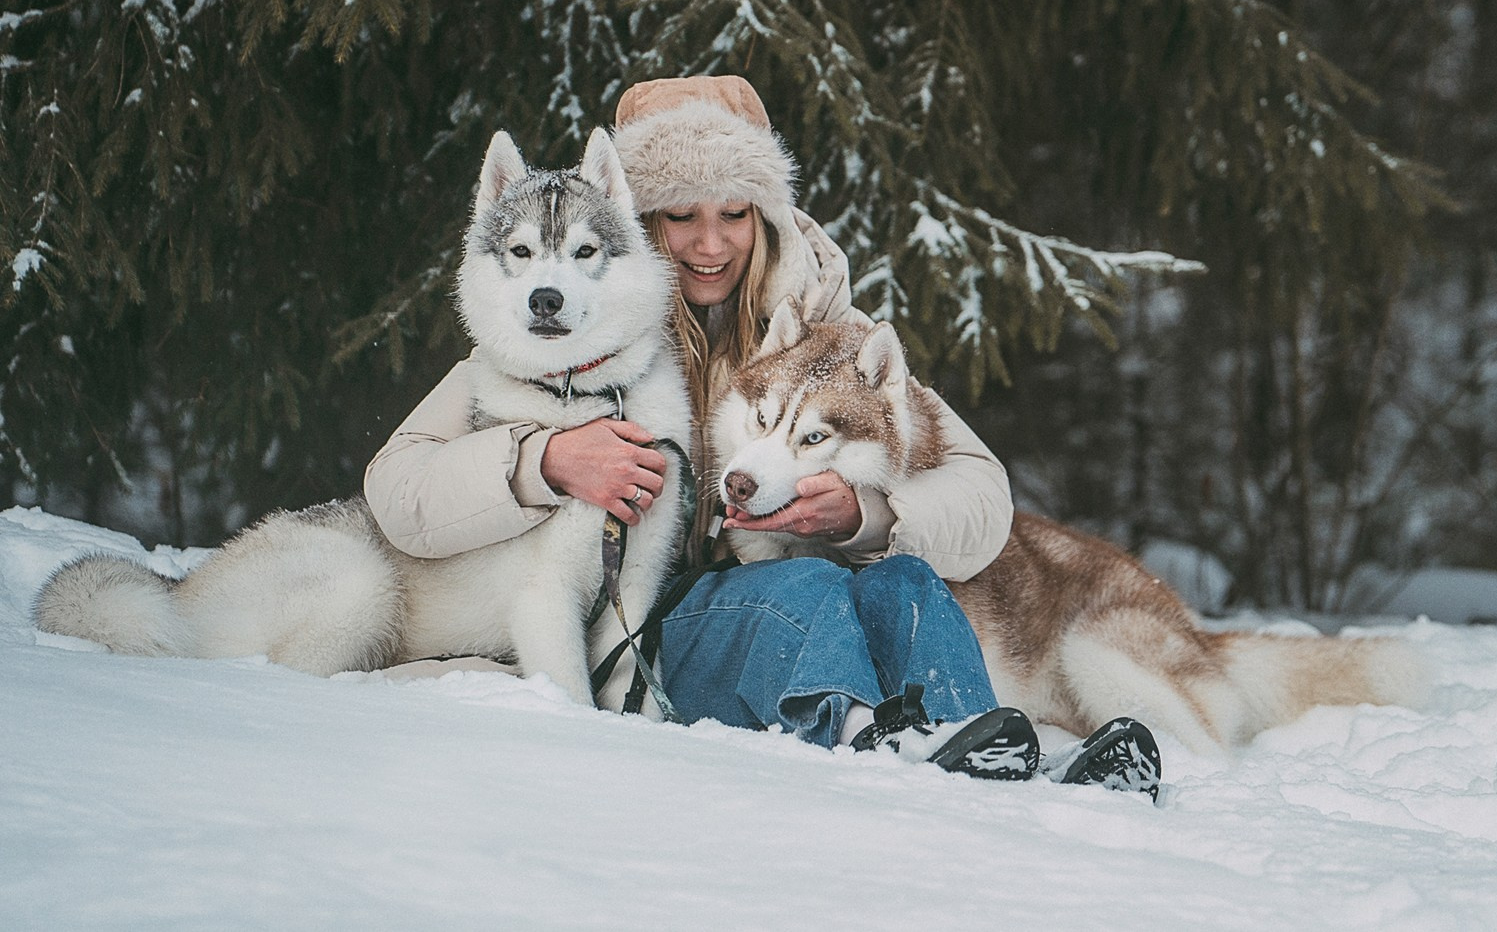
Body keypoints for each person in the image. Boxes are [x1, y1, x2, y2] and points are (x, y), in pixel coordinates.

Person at [364, 75, 1158, 795]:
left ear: (766, 216)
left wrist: (865, 513)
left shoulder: (827, 338)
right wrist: (540, 459)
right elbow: (397, 489)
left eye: (734, 214)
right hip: (661, 626)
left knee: (903, 583)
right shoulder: (573, 341)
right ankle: (876, 743)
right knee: (803, 591)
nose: (710, 244)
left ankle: (993, 752)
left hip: (804, 612)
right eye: (680, 216)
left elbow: (982, 497)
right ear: (634, 222)